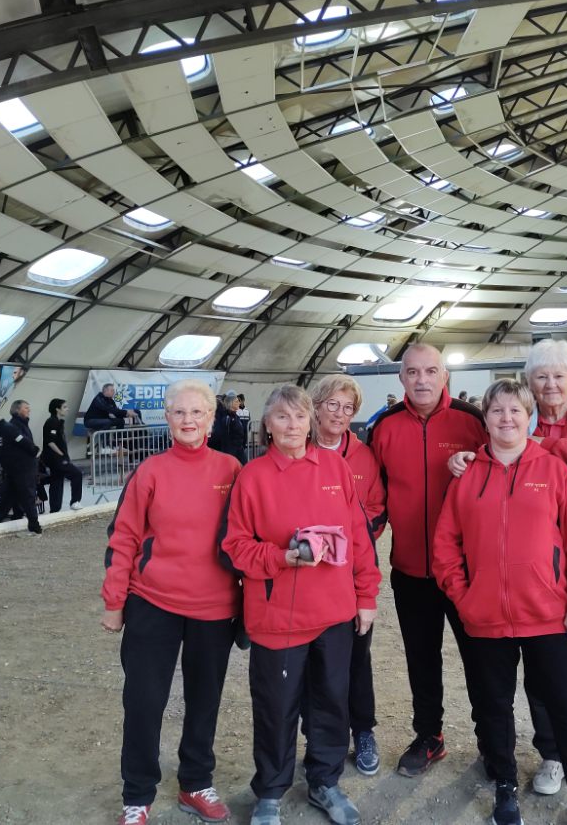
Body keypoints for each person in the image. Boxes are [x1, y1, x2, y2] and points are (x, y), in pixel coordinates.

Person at [449, 338, 567, 806]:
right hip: (522, 584)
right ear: (529, 383)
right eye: (540, 376)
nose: (549, 385)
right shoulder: (514, 413)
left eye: (558, 376)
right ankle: (554, 754)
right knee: (545, 678)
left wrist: (550, 447)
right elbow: (484, 472)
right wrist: (460, 458)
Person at [222, 385, 380, 825]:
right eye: (281, 418)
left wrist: (366, 596)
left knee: (331, 702)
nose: (292, 426)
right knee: (276, 707)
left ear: (311, 422)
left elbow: (359, 538)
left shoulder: (335, 467)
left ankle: (325, 783)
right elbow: (235, 545)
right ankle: (270, 792)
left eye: (299, 417)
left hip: (334, 612)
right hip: (278, 617)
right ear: (266, 425)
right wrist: (281, 557)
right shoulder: (252, 477)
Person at [101, 380, 243, 825]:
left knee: (205, 699)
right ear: (167, 419)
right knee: (143, 700)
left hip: (215, 608)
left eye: (196, 413)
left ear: (210, 419)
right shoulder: (150, 472)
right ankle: (137, 793)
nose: (188, 420)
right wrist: (114, 600)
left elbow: (249, 536)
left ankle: (195, 781)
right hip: (153, 603)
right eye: (179, 413)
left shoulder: (232, 469)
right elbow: (123, 537)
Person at [367, 343, 487, 777]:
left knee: (480, 658)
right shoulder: (383, 427)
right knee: (422, 657)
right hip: (411, 569)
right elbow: (372, 498)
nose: (421, 380)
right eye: (413, 372)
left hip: (466, 571)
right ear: (402, 379)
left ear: (444, 376)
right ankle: (429, 736)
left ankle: (491, 740)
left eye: (430, 371)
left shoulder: (472, 421)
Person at [309, 375, 387, 776]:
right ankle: (323, 736)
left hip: (352, 572)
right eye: (332, 405)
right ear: (317, 407)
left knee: (358, 656)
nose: (340, 414)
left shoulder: (364, 457)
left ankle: (364, 730)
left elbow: (376, 508)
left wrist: (346, 537)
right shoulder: (296, 450)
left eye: (348, 408)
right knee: (315, 662)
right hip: (306, 573)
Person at [0, 402, 42, 538]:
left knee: (27, 497)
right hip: (13, 470)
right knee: (7, 494)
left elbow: (26, 444)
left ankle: (35, 528)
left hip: (23, 468)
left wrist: (30, 458)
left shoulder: (7, 429)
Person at [42, 398, 83, 512]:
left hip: (56, 458)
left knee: (56, 480)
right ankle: (75, 501)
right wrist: (61, 455)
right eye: (64, 407)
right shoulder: (52, 422)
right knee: (76, 474)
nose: (67, 409)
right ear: (57, 409)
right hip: (55, 458)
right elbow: (50, 442)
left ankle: (55, 509)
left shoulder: (58, 422)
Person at [209, 391, 248, 464]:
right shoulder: (226, 417)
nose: (238, 403)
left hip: (236, 450)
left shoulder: (234, 416)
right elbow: (222, 436)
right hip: (230, 452)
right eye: (236, 401)